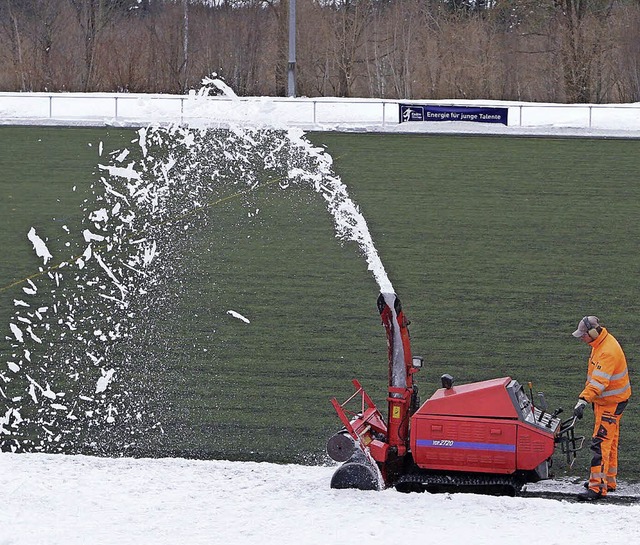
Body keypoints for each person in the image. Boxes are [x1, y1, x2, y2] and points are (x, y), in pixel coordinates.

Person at [572, 316, 631, 501]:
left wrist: (583, 400)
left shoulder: (606, 351)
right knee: (610, 441)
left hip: (609, 403)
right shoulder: (600, 344)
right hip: (611, 401)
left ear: (592, 333)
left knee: (600, 444)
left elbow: (598, 383)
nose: (582, 338)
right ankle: (608, 481)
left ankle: (597, 488)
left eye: (583, 335)